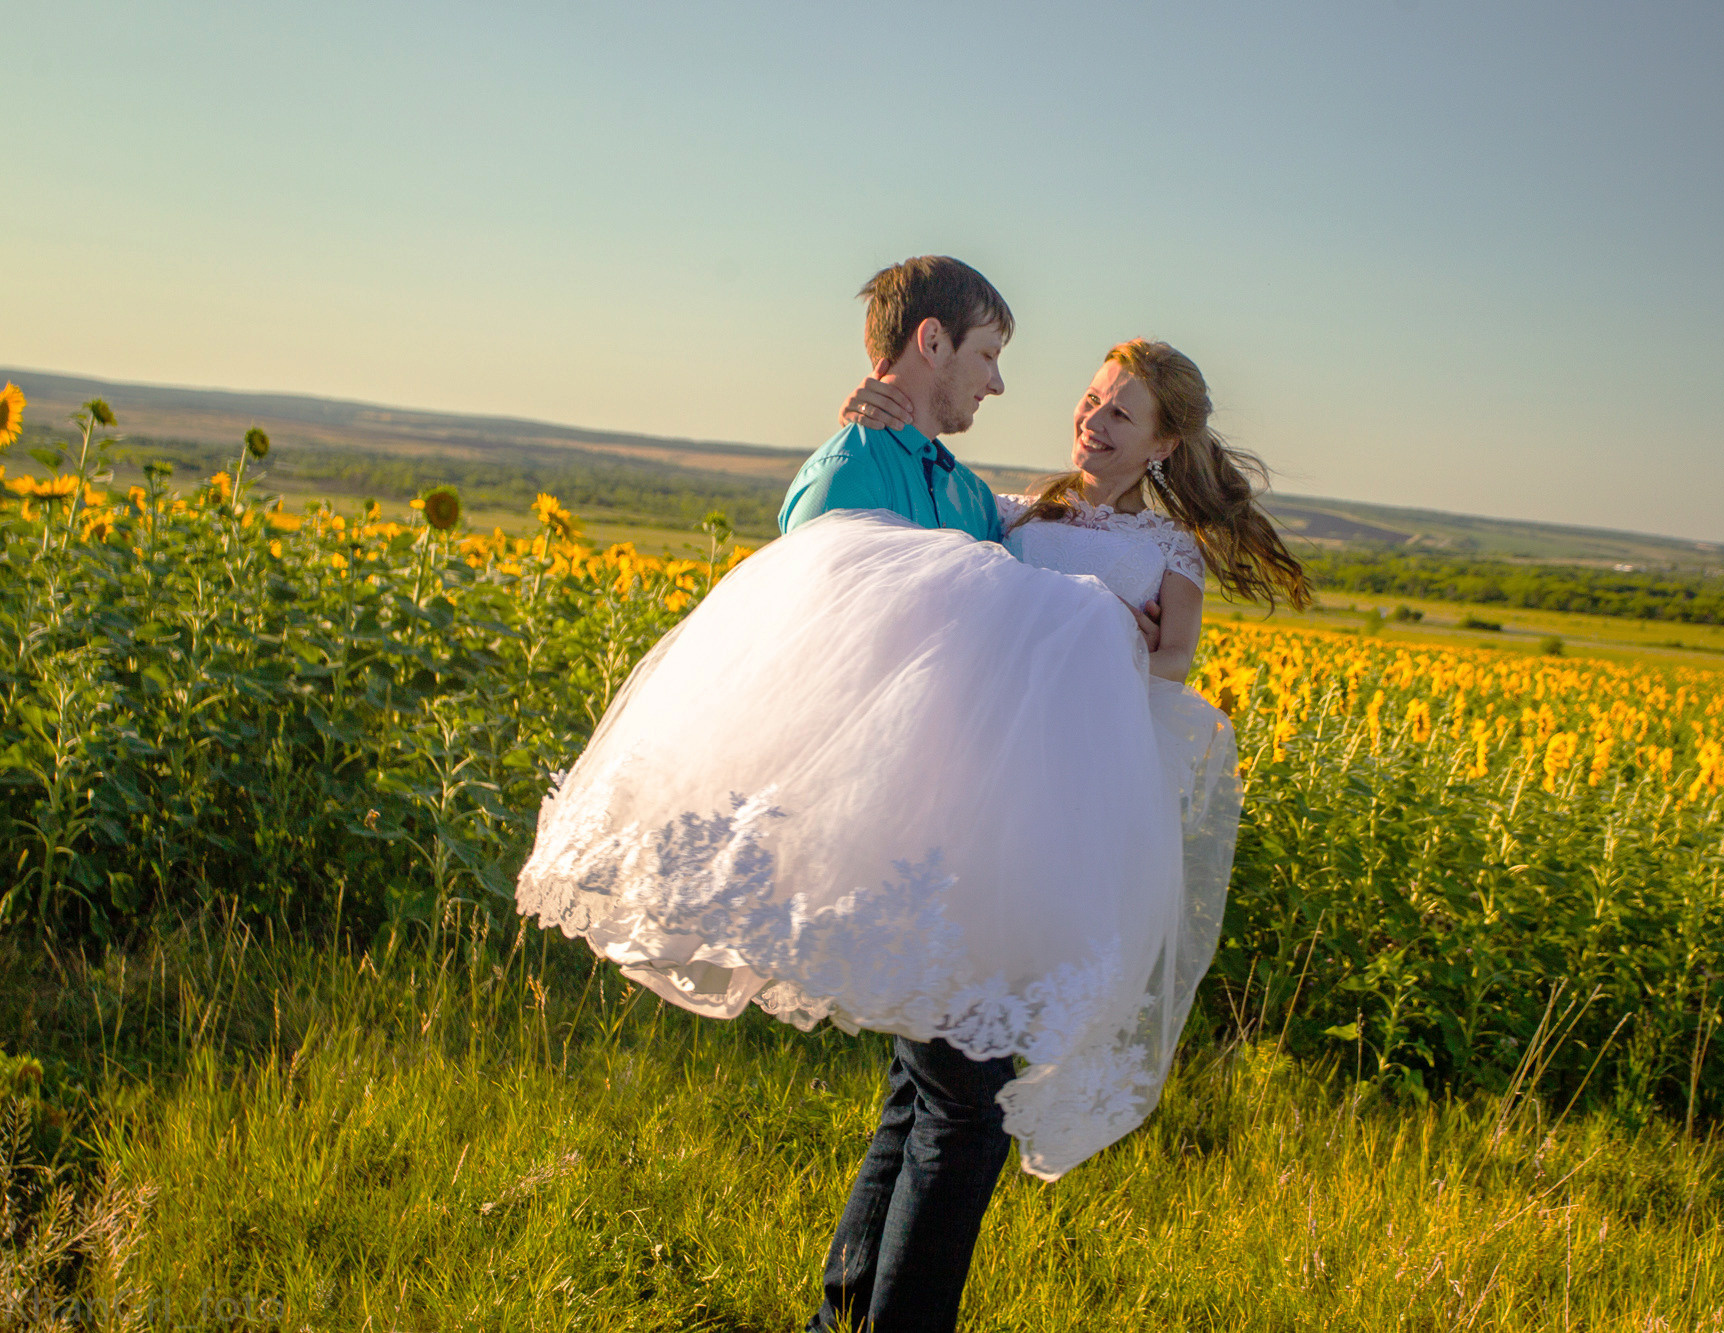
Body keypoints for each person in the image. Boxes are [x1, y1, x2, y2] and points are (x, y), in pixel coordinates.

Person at [514, 256, 1308, 1332]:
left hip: (1029, 829)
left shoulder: (1071, 525)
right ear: (932, 346)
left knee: (926, 1086)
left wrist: (1118, 643)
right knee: (956, 1104)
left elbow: (1157, 673)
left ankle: (844, 1310)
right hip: (946, 818)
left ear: (1164, 443)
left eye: (1120, 413)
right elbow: (853, 566)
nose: (1083, 419)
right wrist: (861, 426)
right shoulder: (998, 503)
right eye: (1084, 400)